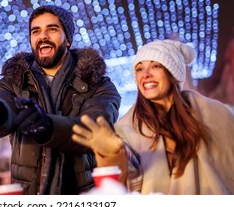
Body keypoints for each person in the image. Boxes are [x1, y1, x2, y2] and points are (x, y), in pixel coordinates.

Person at [0, 5, 121, 194]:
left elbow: (95, 128)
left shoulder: (98, 85)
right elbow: (5, 105)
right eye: (36, 31)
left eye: (52, 29)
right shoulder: (14, 82)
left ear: (68, 40)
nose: (43, 36)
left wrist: (48, 127)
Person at [72, 39, 234, 194]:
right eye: (140, 69)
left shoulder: (216, 114)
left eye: (156, 66)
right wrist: (111, 157)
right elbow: (118, 188)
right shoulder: (126, 128)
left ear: (173, 73)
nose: (146, 74)